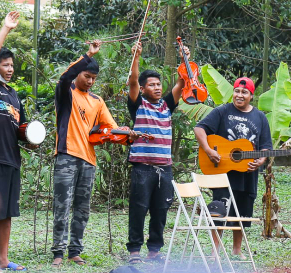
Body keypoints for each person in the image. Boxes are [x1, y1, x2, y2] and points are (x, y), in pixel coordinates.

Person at [52, 40, 129, 267]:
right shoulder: (66, 93)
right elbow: (65, 76)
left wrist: (127, 134)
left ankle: (75, 251)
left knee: (83, 209)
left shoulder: (97, 101)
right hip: (66, 155)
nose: (91, 81)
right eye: (87, 76)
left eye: (94, 78)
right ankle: (58, 251)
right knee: (62, 205)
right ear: (79, 74)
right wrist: (88, 54)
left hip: (89, 160)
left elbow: (110, 128)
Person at [124, 41, 188, 264]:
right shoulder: (138, 104)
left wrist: (184, 57)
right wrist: (137, 57)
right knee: (139, 209)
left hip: (165, 167)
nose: (157, 87)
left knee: (161, 210)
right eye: (151, 85)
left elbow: (182, 82)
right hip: (142, 167)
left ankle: (154, 251)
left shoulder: (167, 105)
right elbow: (132, 80)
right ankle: (134, 251)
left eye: (159, 84)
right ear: (143, 90)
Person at [194, 77, 271, 258]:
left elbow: (266, 146)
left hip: (248, 173)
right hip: (222, 171)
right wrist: (208, 149)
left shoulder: (260, 117)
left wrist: (261, 160)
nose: (239, 95)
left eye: (244, 92)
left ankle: (237, 250)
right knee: (219, 210)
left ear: (251, 96)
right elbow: (200, 129)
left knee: (242, 213)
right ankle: (215, 250)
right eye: (237, 91)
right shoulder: (222, 111)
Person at [0, 11, 30, 271]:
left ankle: (3, 259)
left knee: (6, 213)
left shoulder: (14, 96)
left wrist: (31, 138)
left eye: (12, 65)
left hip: (11, 159)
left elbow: (23, 128)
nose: (10, 69)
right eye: (5, 65)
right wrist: (5, 29)